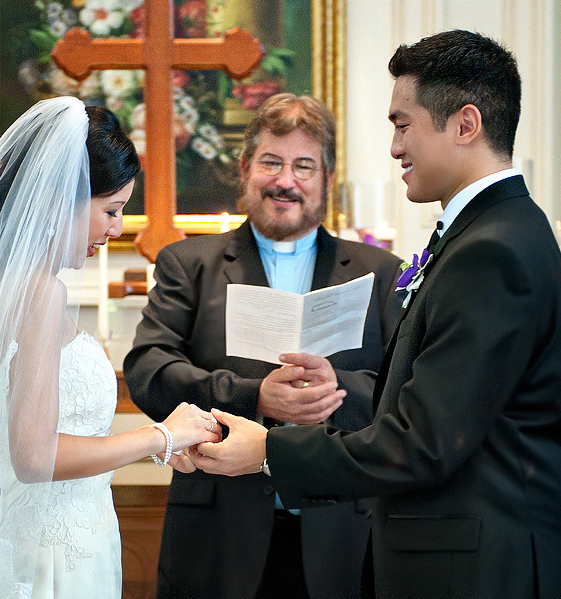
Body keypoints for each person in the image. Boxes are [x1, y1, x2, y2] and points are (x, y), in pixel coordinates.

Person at [191, 30, 561, 599]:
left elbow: (422, 441)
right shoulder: (492, 232)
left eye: (403, 125)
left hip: (480, 566)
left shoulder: (492, 251)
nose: (394, 148)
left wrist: (269, 450)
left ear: (465, 124)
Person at [0, 97, 220, 599]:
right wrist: (161, 438)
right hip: (57, 562)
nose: (117, 228)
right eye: (111, 209)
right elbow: (35, 456)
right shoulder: (40, 293)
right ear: (61, 198)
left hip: (31, 543)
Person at [123, 93, 403, 599]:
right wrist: (254, 397)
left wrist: (333, 391)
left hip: (342, 530)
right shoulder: (189, 264)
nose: (285, 181)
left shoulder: (380, 273)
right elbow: (148, 369)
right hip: (218, 536)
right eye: (271, 162)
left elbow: (400, 389)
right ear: (246, 166)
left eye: (303, 166)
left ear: (326, 178)